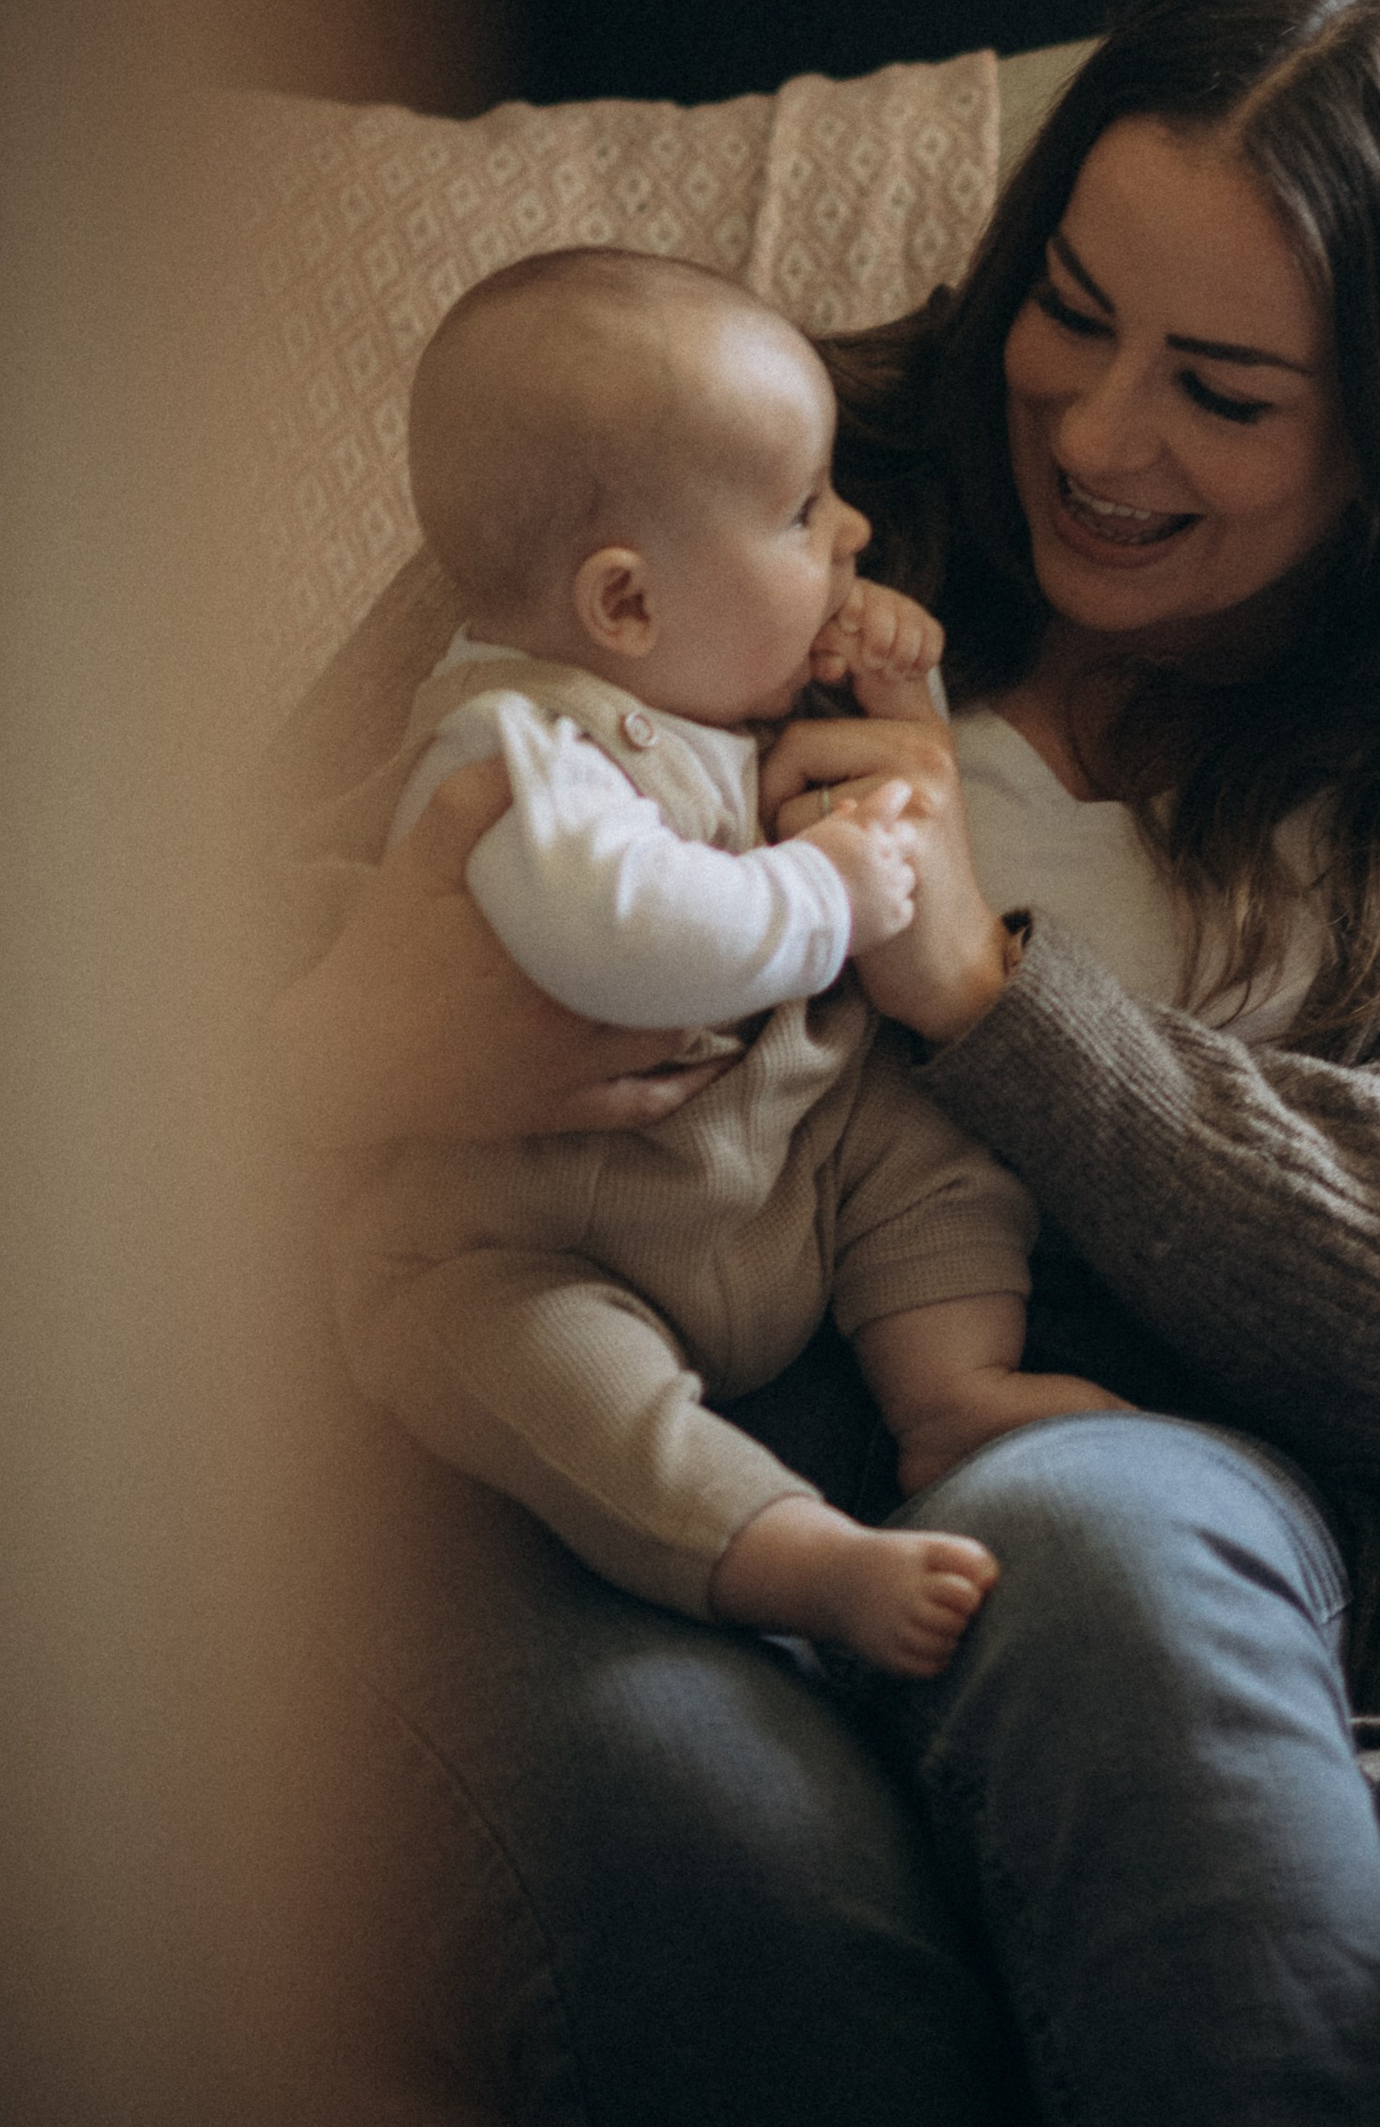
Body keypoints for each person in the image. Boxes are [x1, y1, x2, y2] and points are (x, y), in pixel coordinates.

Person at [269, 0, 1380, 2127]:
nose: (1098, 433)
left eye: (1223, 393)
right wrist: (350, 1047)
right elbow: (152, 955)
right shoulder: (707, 447)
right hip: (555, 1448)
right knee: (726, 1859)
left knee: (1109, 1551)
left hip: (1083, 1473)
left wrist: (979, 983)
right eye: (1070, 310)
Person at [332, 247, 1122, 1681]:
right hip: (535, 1244)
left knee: (928, 1116)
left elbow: (894, 812)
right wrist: (819, 888)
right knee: (548, 1376)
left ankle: (950, 1386)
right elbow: (620, 933)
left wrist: (898, 695)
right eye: (805, 510)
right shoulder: (512, 747)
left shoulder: (703, 690)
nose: (854, 527)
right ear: (625, 604)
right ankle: (784, 1551)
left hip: (772, 1171)